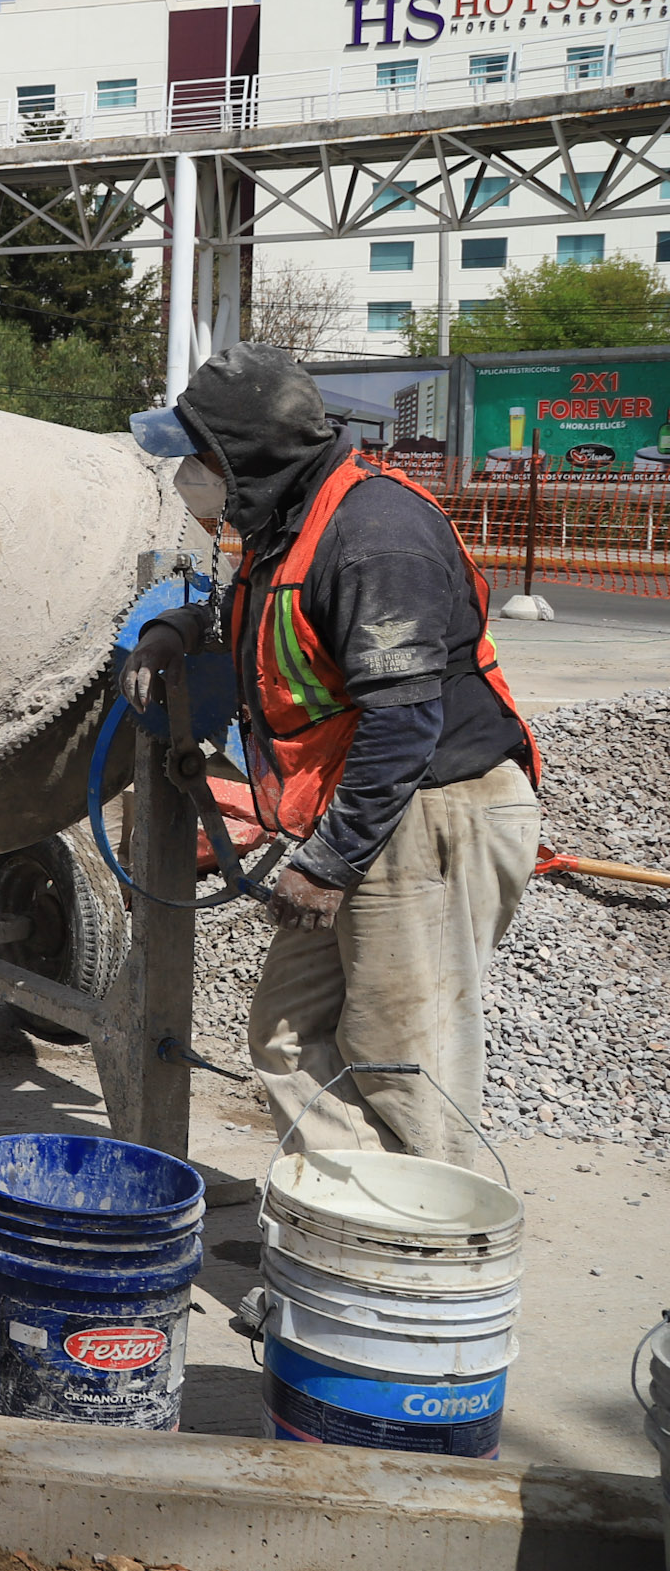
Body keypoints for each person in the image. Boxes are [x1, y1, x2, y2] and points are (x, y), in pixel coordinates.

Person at [125, 343, 537, 1166]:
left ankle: (414, 1273)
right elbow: (272, 619)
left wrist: (330, 862)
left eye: (199, 456)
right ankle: (343, 1229)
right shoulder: (293, 522)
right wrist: (180, 628)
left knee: (404, 1071)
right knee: (285, 1036)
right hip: (373, 813)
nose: (189, 478)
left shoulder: (375, 536)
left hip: (426, 812)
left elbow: (404, 723)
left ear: (247, 453)